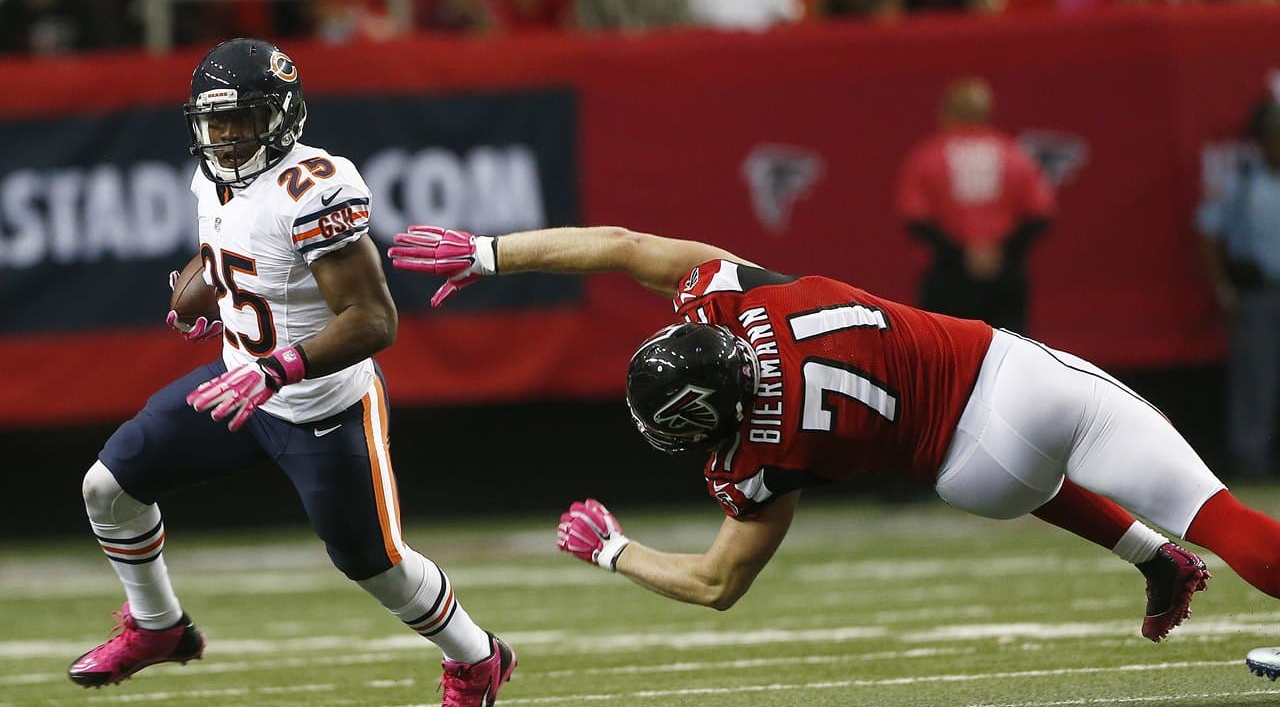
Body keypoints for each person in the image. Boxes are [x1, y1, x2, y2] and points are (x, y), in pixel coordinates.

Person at [388, 223, 1280, 675]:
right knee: (1228, 519)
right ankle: (1173, 544)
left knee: (1042, 473)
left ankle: (1150, 555)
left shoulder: (756, 460)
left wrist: (614, 550)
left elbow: (714, 585)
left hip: (972, 477)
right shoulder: (739, 299)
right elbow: (622, 246)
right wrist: (490, 252)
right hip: (1008, 379)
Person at [68, 39, 516, 707]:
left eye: (239, 119)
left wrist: (279, 368)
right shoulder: (214, 175)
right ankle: (159, 626)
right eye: (212, 121)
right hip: (239, 384)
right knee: (108, 486)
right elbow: (225, 249)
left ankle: (478, 659)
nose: (223, 136)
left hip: (321, 407)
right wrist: (202, 290)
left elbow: (373, 319)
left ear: (281, 116)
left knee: (375, 566)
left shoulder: (314, 188)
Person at [898, 77, 1055, 334]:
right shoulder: (1013, 154)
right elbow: (1040, 214)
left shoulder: (929, 156)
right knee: (1009, 353)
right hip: (1005, 273)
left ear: (947, 112)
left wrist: (962, 253)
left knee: (945, 355)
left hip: (949, 275)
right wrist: (1001, 250)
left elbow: (915, 219)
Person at [1198, 96, 1280, 480]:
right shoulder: (1243, 182)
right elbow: (1210, 231)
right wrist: (1222, 285)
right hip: (1258, 291)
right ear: (1263, 142)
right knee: (1254, 381)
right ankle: (1252, 465)